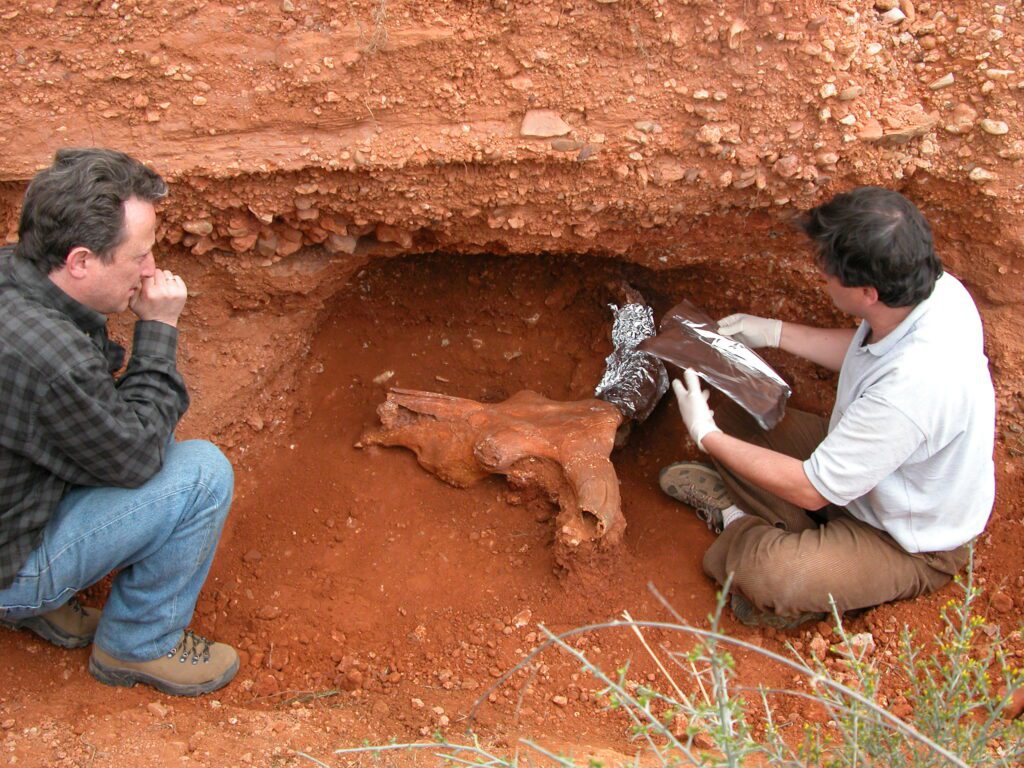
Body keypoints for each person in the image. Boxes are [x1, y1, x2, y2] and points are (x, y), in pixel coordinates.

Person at [659, 186, 995, 628]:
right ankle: (800, 536)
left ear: (868, 293)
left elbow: (812, 488)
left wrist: (707, 437)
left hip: (906, 539)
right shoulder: (938, 294)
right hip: (874, 477)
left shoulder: (914, 388)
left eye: (830, 273)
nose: (822, 277)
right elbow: (868, 352)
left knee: (772, 575)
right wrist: (773, 331)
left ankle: (742, 524)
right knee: (733, 410)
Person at [0, 148, 238, 695]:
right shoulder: (50, 358)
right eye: (140, 256)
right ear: (80, 260)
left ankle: (42, 598)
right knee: (200, 473)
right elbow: (135, 457)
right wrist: (157, 332)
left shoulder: (15, 274)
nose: (151, 270)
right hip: (9, 563)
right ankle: (139, 644)